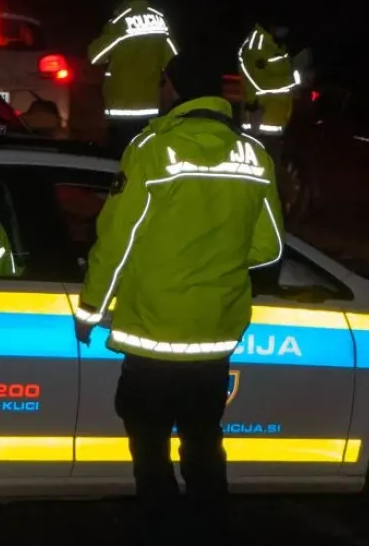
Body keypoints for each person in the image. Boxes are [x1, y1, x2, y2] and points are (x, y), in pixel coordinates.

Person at [73, 58, 285, 541]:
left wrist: (91, 310)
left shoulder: (151, 148)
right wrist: (215, 257)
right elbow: (269, 246)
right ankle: (209, 527)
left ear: (173, 88)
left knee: (149, 444)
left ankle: (159, 526)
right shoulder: (253, 155)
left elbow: (118, 240)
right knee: (204, 442)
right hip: (214, 335)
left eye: (161, 82)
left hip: (152, 333)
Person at [88, 0, 179, 156]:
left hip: (121, 107)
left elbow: (95, 57)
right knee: (144, 155)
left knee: (119, 157)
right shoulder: (160, 20)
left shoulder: (120, 21)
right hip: (151, 106)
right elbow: (173, 56)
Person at [237, 21, 301, 158]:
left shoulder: (277, 46)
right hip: (259, 128)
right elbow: (259, 82)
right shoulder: (257, 45)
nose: (286, 30)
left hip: (274, 126)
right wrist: (295, 80)